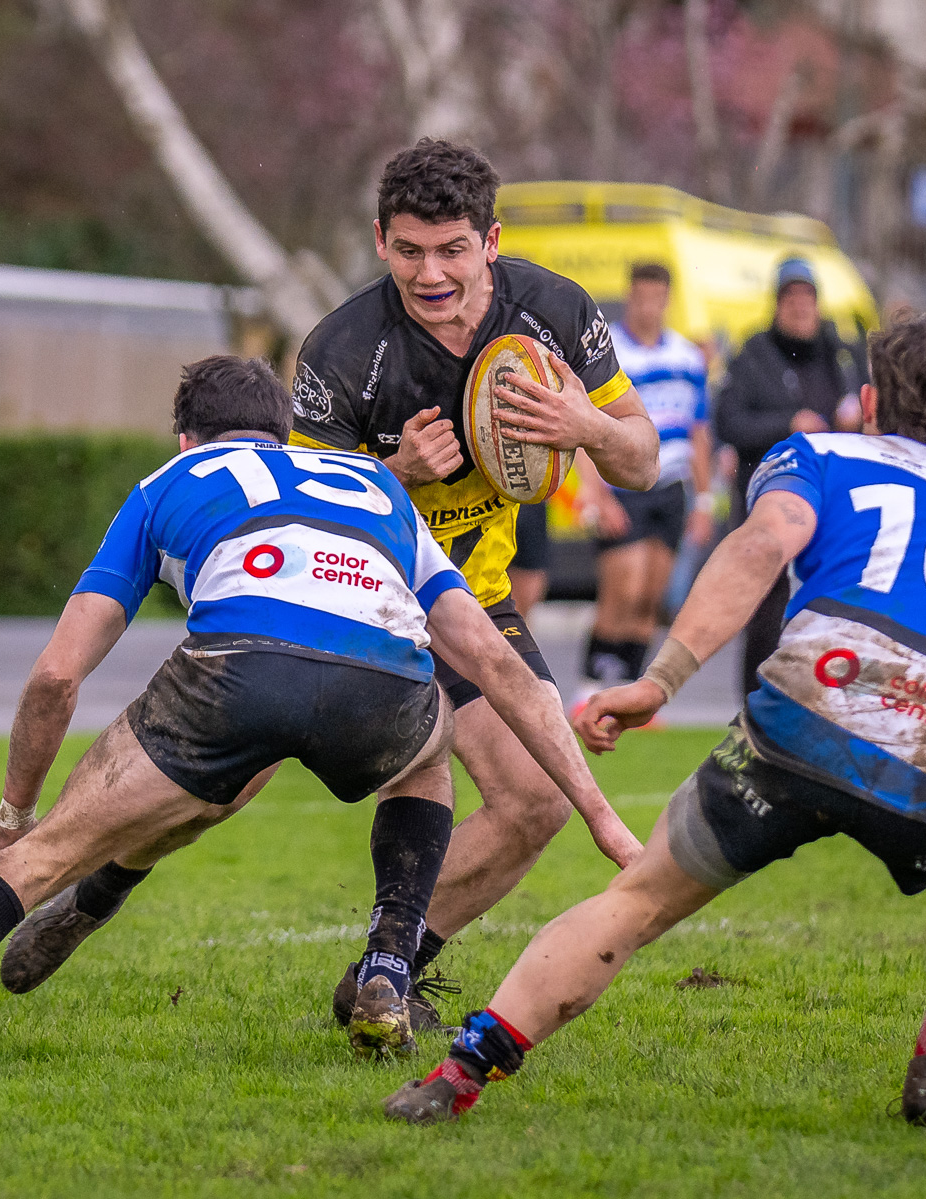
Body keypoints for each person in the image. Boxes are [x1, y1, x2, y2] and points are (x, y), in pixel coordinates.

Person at [0, 356, 636, 1061]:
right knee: (426, 757)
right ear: (287, 436)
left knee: (50, 849)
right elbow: (492, 661)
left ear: (186, 437)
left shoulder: (166, 482)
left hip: (237, 673)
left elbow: (57, 676)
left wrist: (16, 817)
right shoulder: (374, 488)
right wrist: (600, 816)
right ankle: (386, 961)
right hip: (386, 681)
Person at [382, 316, 926, 1131]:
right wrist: (919, 704)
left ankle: (459, 1074)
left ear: (871, 401)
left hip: (795, 723)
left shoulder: (818, 457)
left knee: (636, 901)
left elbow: (759, 547)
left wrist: (660, 681)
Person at [293, 138, 658, 1028]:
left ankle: (388, 972)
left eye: (452, 248)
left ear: (490, 241)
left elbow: (643, 458)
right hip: (364, 596)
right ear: (381, 240)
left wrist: (586, 424)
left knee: (534, 802)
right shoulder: (341, 350)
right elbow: (301, 519)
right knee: (215, 792)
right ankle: (97, 882)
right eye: (411, 250)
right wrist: (395, 470)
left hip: (477, 596)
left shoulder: (553, 312)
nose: (432, 272)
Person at [713, 257, 866, 697]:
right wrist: (789, 423)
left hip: (835, 504)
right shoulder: (754, 355)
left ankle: (823, 705)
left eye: (807, 298)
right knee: (767, 611)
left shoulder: (843, 354)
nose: (800, 308)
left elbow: (877, 408)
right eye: (791, 298)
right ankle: (755, 707)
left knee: (832, 611)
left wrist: (856, 410)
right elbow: (729, 422)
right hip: (771, 506)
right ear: (777, 304)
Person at [573, 263, 713, 708]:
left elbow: (699, 432)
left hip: (671, 485)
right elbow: (582, 428)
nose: (648, 307)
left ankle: (629, 690)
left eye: (656, 298)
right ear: (630, 297)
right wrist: (594, 494)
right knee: (623, 590)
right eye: (640, 297)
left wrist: (704, 499)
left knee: (652, 597)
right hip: (622, 486)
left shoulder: (687, 357)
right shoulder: (608, 353)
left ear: (667, 300)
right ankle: (590, 685)